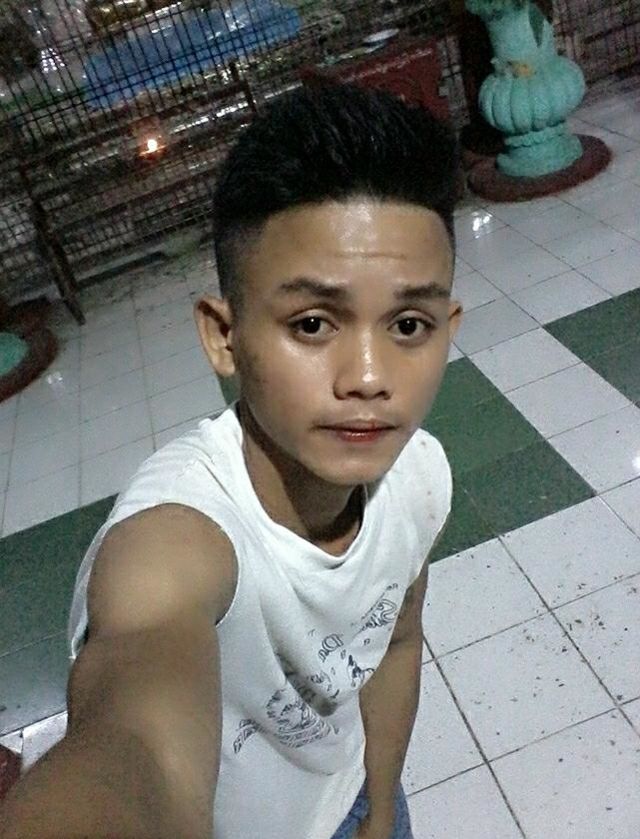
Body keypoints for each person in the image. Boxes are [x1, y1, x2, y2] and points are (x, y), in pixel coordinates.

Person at [0, 82, 462, 839]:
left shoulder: (420, 476)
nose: (369, 376)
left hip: (356, 799)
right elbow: (138, 743)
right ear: (224, 336)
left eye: (409, 324)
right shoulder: (172, 544)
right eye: (312, 323)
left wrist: (381, 808)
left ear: (449, 327)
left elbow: (397, 642)